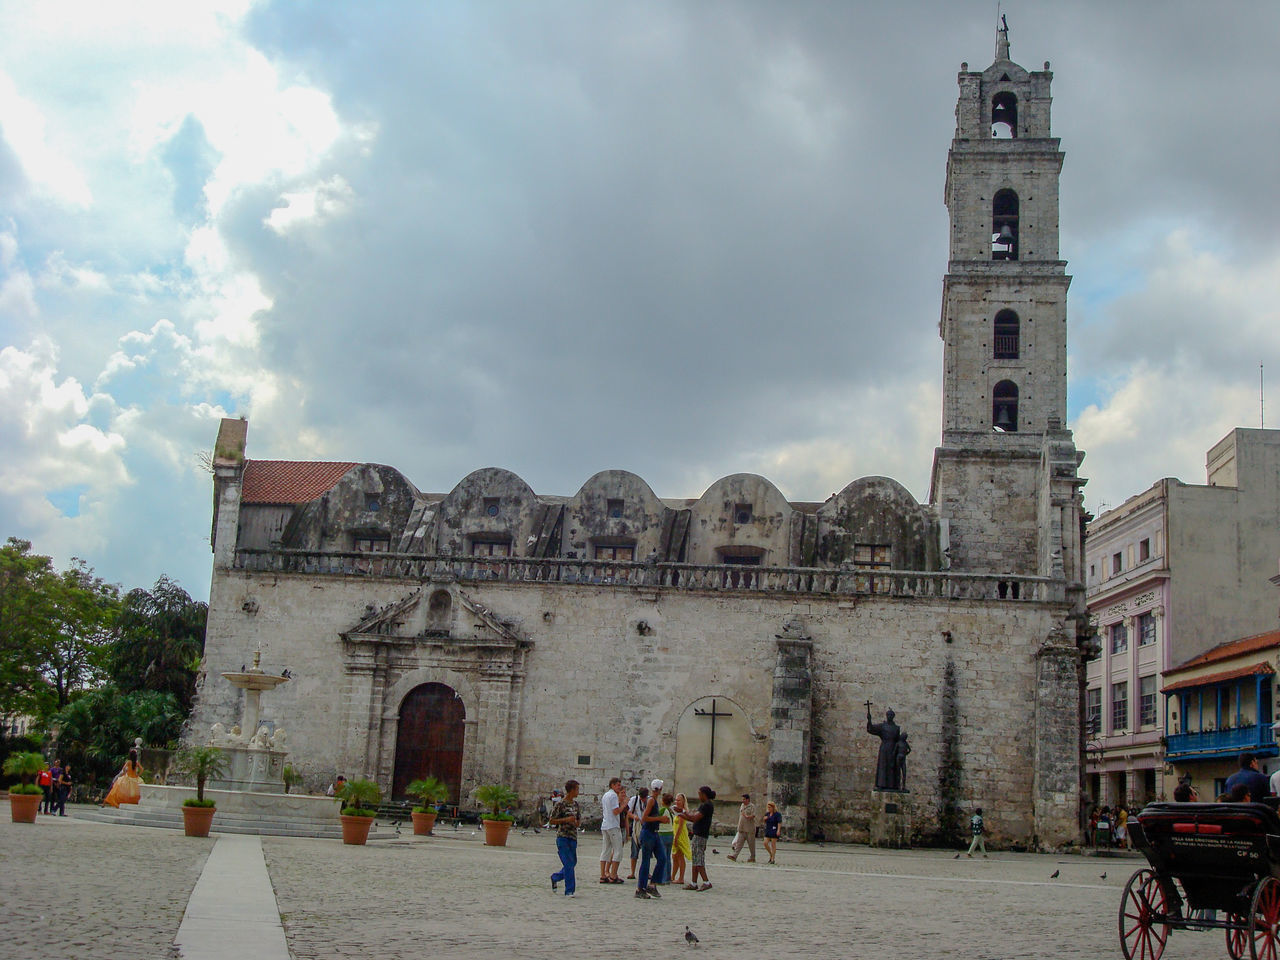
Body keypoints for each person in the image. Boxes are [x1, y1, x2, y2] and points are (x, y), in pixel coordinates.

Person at [634, 778, 669, 899]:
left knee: (662, 858)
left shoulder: (653, 800)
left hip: (654, 833)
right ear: (659, 789)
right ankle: (640, 888)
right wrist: (660, 819)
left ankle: (652, 884)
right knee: (646, 861)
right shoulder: (651, 801)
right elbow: (644, 818)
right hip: (648, 833)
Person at [549, 779, 581, 898]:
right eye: (577, 789)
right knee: (568, 863)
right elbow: (552, 820)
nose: (578, 792)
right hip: (562, 837)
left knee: (572, 863)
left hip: (573, 837)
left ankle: (556, 877)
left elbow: (578, 820)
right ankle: (569, 890)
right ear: (571, 790)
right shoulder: (560, 804)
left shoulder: (576, 805)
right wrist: (566, 820)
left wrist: (576, 822)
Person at [679, 785, 716, 892]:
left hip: (700, 835)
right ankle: (693, 882)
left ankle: (706, 882)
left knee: (699, 859)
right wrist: (685, 813)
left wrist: (681, 815)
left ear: (704, 795)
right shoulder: (706, 805)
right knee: (695, 859)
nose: (698, 796)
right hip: (699, 834)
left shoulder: (706, 806)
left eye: (699, 794)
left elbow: (695, 818)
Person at [599, 777, 627, 884]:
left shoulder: (606, 795)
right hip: (613, 825)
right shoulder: (613, 796)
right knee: (618, 850)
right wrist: (623, 805)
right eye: (618, 785)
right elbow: (616, 811)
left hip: (605, 825)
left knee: (605, 850)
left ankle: (602, 875)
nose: (619, 787)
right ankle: (613, 875)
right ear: (612, 785)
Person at [625, 786, 649, 880]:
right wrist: (634, 816)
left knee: (646, 852)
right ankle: (632, 872)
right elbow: (628, 812)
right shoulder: (634, 800)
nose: (643, 799)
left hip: (646, 827)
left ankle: (646, 872)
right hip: (637, 827)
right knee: (634, 851)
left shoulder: (649, 801)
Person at [728, 793, 757, 862]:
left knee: (751, 845)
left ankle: (752, 857)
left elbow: (754, 815)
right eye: (742, 799)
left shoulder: (752, 806)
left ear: (748, 799)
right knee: (739, 843)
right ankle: (734, 856)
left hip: (749, 829)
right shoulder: (742, 805)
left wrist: (747, 816)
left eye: (744, 799)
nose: (742, 800)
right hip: (741, 828)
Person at [670, 793, 692, 885]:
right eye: (676, 800)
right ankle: (672, 876)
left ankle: (681, 878)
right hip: (676, 834)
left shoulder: (683, 812)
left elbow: (680, 827)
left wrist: (676, 838)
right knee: (674, 856)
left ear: (683, 801)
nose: (676, 802)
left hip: (680, 835)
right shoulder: (677, 811)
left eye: (679, 800)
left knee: (680, 856)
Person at [655, 792, 676, 883]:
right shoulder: (671, 811)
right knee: (667, 856)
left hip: (663, 834)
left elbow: (656, 818)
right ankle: (667, 876)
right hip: (670, 834)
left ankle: (662, 878)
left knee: (662, 856)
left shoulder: (663, 810)